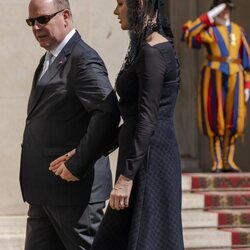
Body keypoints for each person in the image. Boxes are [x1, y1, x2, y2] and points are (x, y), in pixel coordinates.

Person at [20, 0, 120, 249]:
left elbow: (107, 113)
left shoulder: (82, 58)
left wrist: (77, 164)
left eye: (43, 19)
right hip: (43, 193)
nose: (36, 27)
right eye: (31, 22)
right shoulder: (48, 59)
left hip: (75, 195)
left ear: (65, 16)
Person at [91, 0, 184, 249]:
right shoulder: (144, 47)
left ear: (139, 3)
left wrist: (125, 178)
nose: (115, 11)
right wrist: (89, 150)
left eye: (121, 3)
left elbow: (147, 118)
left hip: (148, 162)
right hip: (141, 154)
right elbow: (134, 120)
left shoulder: (153, 51)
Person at [182, 0, 250, 173]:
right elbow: (189, 33)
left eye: (227, 9)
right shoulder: (208, 30)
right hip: (213, 75)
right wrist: (209, 16)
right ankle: (218, 161)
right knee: (215, 117)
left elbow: (247, 60)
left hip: (236, 75)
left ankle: (229, 161)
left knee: (234, 118)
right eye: (222, 9)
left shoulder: (238, 30)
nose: (226, 12)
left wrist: (247, 85)